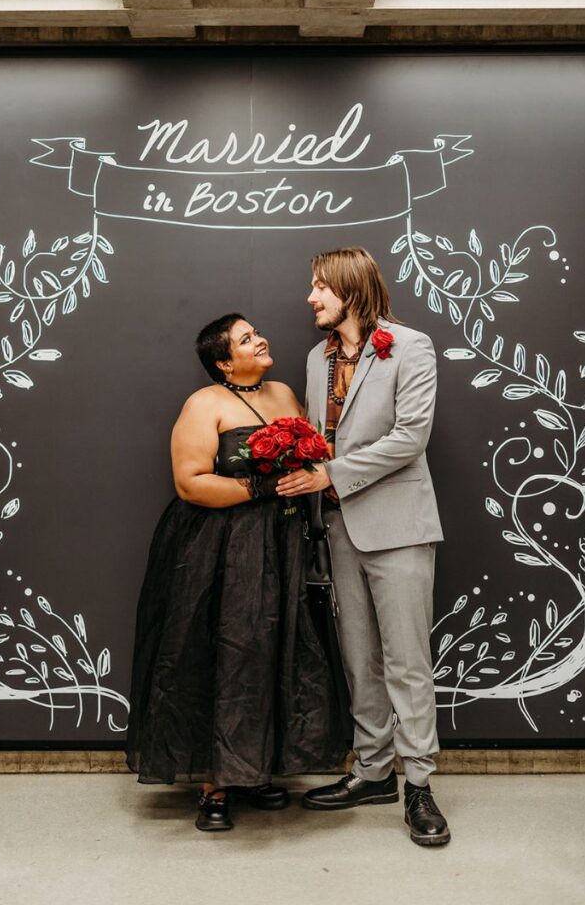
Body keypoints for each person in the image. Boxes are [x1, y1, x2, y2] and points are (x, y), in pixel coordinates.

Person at [126, 313, 345, 832]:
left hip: (282, 542)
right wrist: (263, 489)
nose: (260, 339)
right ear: (224, 361)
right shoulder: (204, 405)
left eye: (256, 332)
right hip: (224, 549)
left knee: (274, 649)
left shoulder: (287, 393)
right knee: (226, 653)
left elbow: (315, 451)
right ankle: (214, 784)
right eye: (246, 339)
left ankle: (255, 769)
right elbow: (190, 483)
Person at [276, 247, 451, 847]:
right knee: (358, 657)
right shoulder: (313, 358)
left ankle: (420, 785)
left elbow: (410, 437)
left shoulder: (410, 345)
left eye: (320, 286)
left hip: (399, 525)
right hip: (339, 528)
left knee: (407, 660)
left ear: (350, 289)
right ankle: (373, 771)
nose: (311, 298)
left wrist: (332, 475)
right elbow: (318, 438)